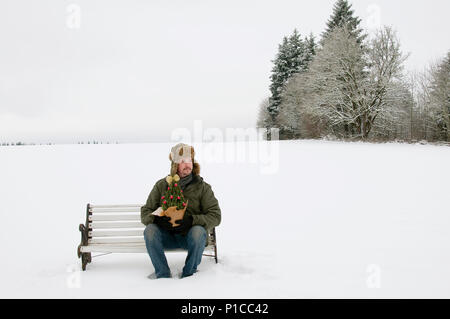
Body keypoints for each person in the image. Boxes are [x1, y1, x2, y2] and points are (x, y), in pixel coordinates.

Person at [141, 143, 221, 279]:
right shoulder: (162, 185)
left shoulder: (202, 187)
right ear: (174, 164)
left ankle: (189, 274)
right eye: (182, 161)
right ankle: (162, 274)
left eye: (189, 160)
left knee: (197, 232)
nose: (187, 164)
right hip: (167, 236)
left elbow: (215, 216)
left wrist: (192, 221)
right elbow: (145, 212)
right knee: (150, 230)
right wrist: (157, 220)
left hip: (189, 237)